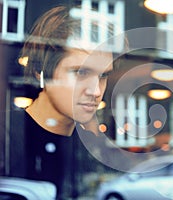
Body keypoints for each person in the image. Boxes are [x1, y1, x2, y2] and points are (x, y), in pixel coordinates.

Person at [12, 5, 115, 199]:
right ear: (40, 71)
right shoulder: (8, 135)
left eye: (103, 76)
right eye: (81, 72)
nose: (96, 91)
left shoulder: (88, 145)